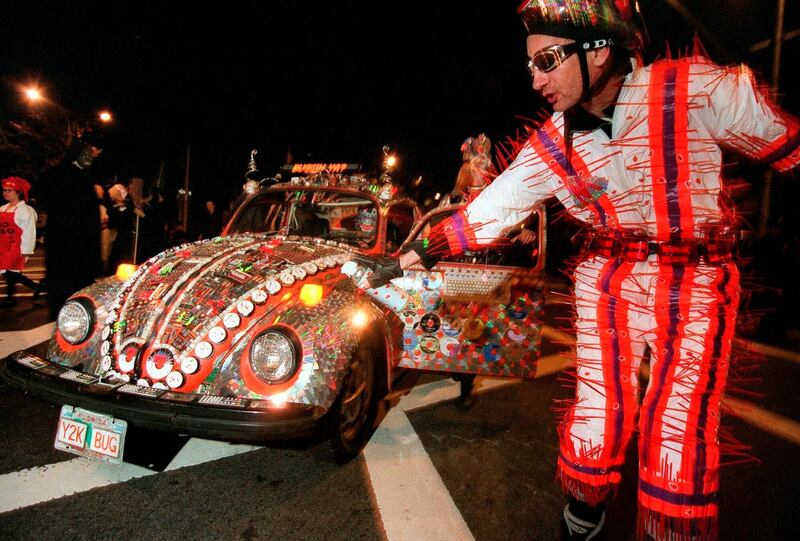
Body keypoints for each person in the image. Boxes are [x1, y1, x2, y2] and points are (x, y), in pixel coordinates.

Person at [357, 2, 800, 540]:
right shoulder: (556, 140)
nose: (536, 79)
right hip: (608, 280)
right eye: (530, 66)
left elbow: (787, 144)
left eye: (547, 60)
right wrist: (406, 258)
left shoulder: (699, 90)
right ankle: (582, 517)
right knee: (598, 413)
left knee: (677, 437)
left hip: (698, 284)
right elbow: (493, 207)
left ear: (599, 48)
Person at [40, 133, 103, 318]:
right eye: (86, 155)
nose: (90, 159)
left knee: (71, 283)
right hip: (71, 241)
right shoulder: (70, 177)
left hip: (72, 241)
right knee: (69, 284)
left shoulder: (78, 176)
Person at [0, 176, 40, 306]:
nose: (6, 193)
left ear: (18, 193)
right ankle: (36, 287)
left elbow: (29, 231)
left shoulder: (26, 211)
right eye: (4, 190)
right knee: (8, 273)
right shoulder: (2, 209)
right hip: (3, 246)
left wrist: (26, 250)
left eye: (9, 190)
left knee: (9, 271)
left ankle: (10, 298)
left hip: (17, 246)